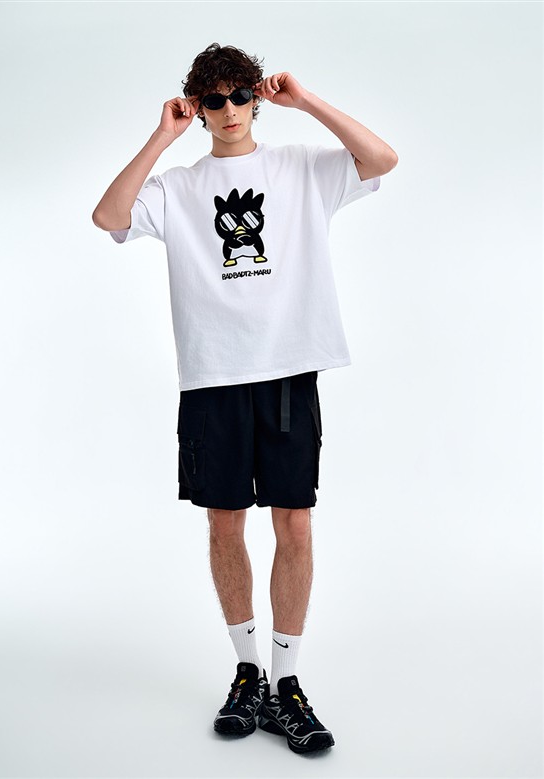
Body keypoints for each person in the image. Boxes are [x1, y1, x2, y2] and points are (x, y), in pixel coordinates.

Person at [92, 42, 398, 755]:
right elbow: (109, 216)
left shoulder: (301, 168)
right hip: (212, 379)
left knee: (295, 525)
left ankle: (287, 682)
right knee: (224, 526)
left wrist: (306, 101)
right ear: (198, 109)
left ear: (256, 100)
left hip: (288, 372)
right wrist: (162, 136)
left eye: (239, 96)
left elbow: (382, 159)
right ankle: (248, 671)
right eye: (213, 100)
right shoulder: (178, 186)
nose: (228, 110)